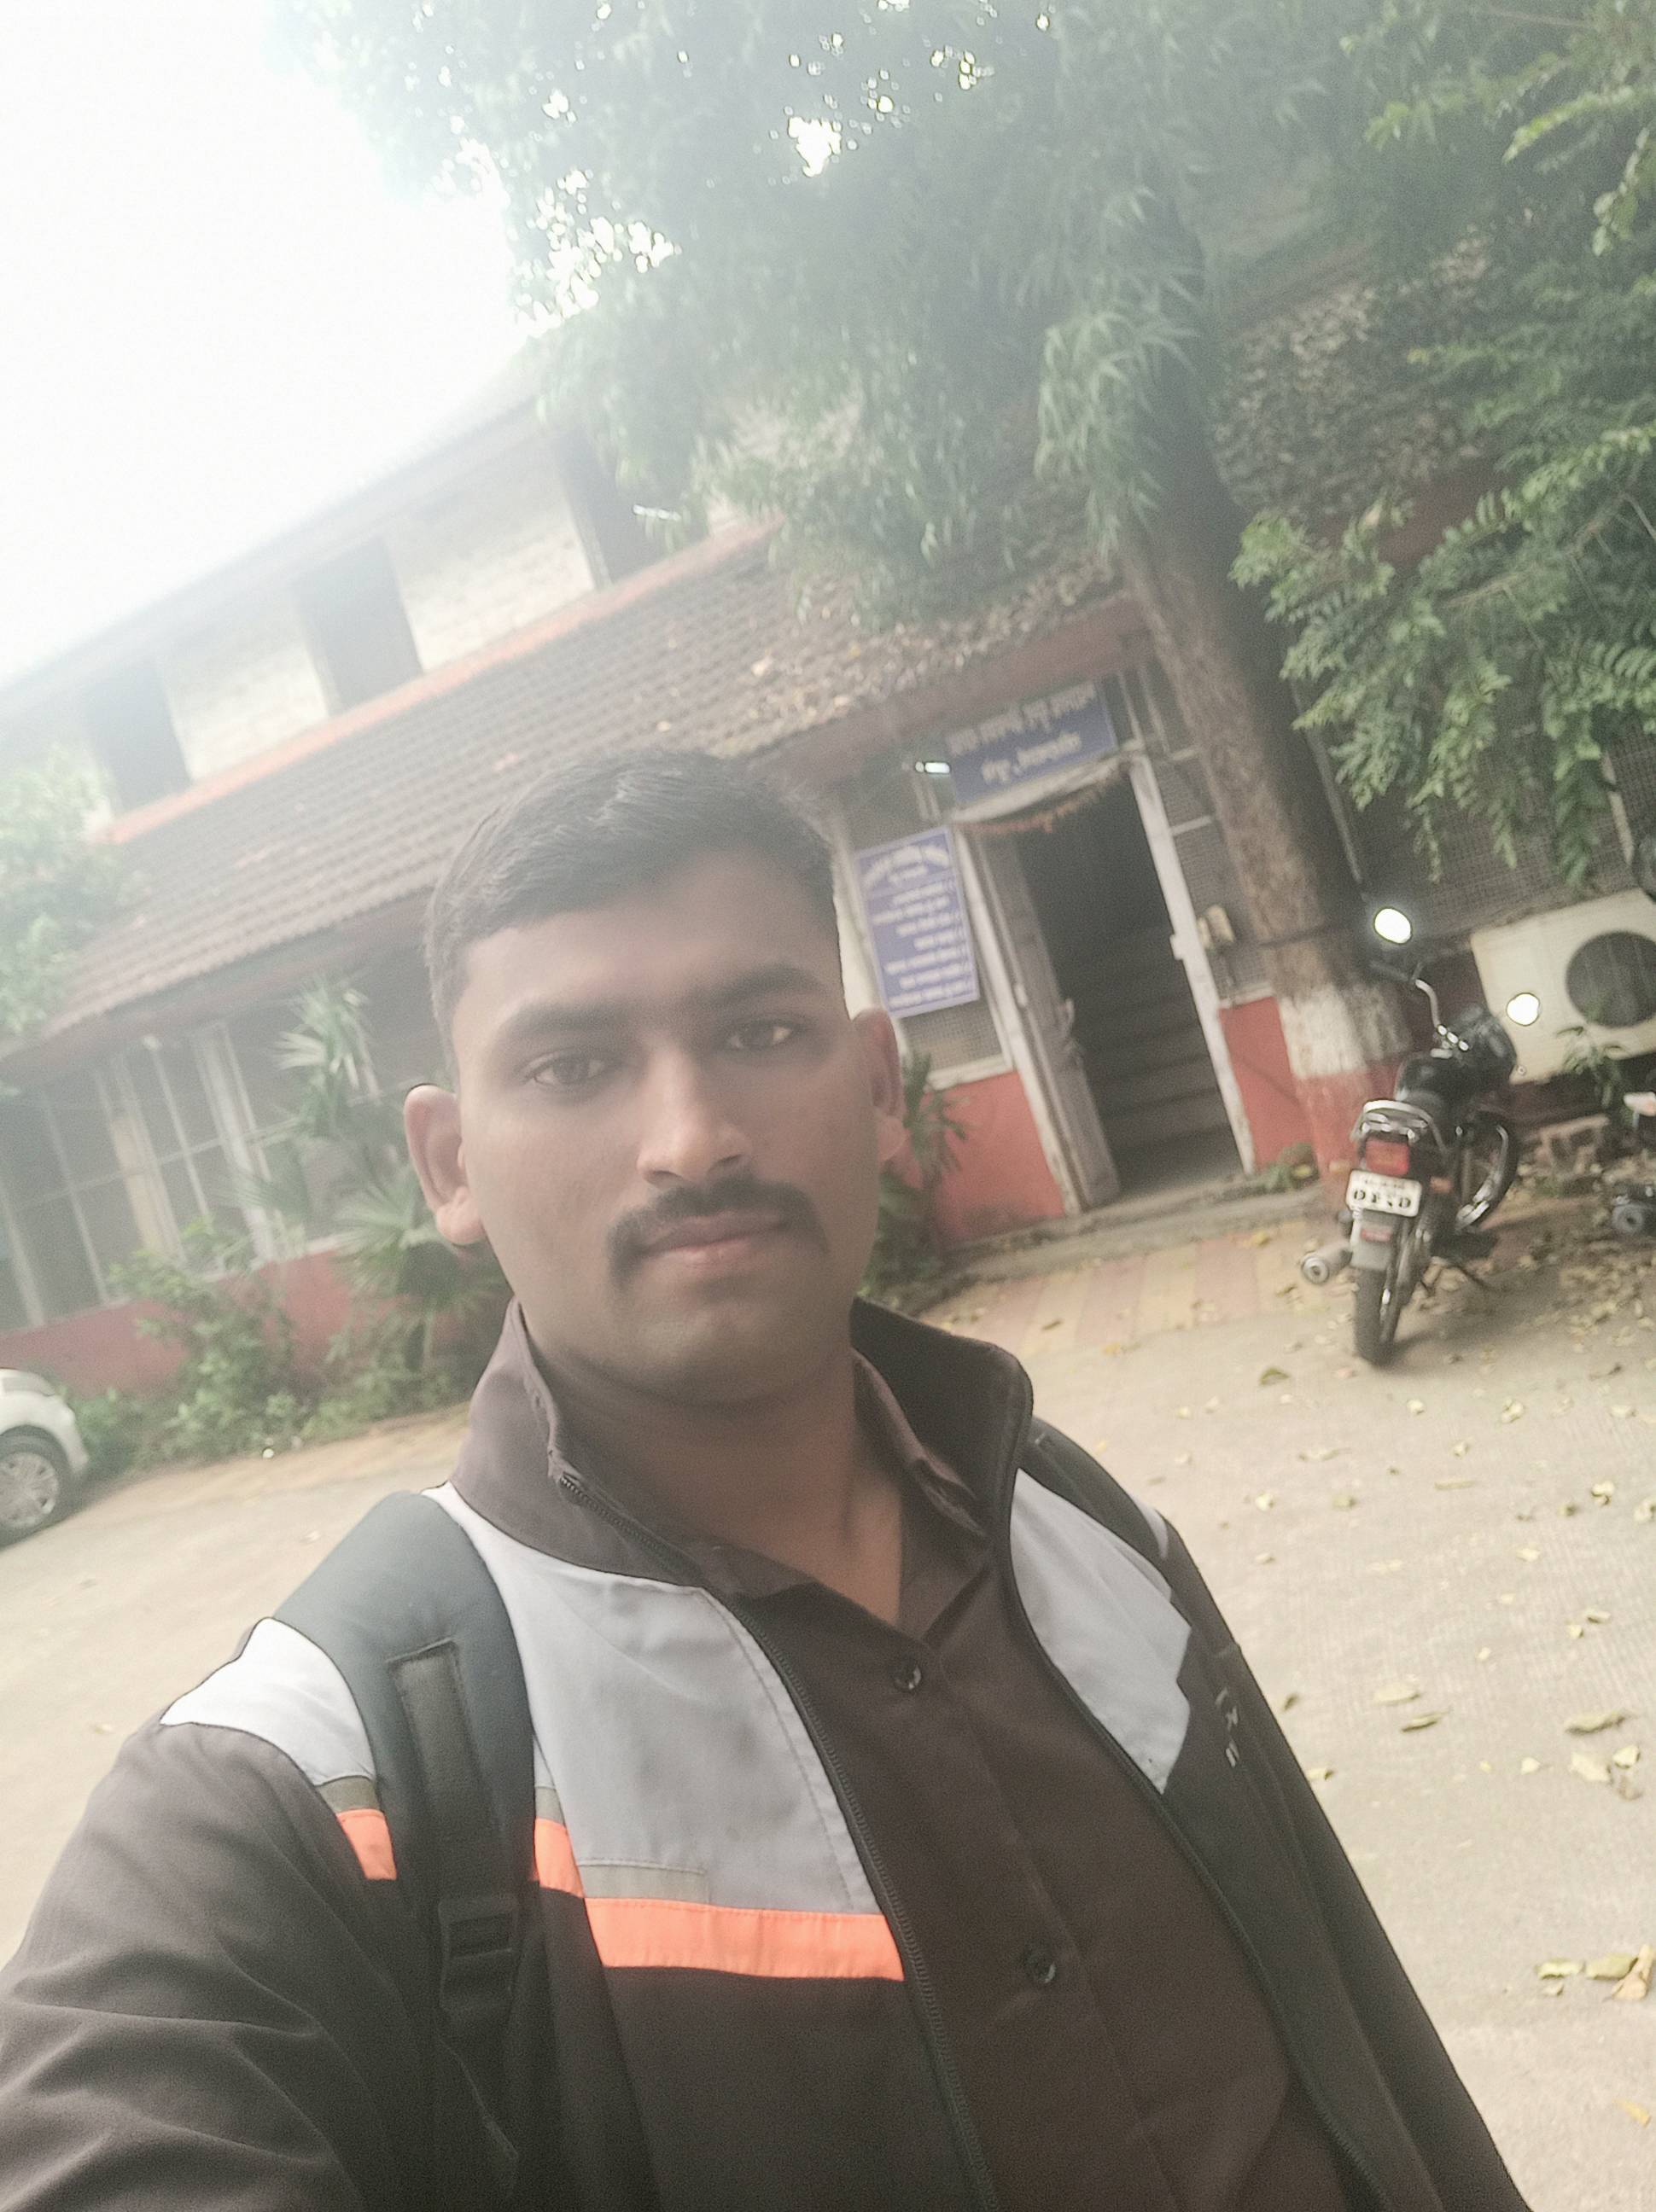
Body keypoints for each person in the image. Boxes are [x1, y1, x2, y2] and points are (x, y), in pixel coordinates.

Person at [0, 749, 1526, 2212]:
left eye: (761, 1032)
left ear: (876, 1080)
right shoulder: (329, 1779)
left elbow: (1372, 2051)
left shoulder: (1084, 1528)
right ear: (450, 1164)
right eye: (574, 1065)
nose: (693, 1139)